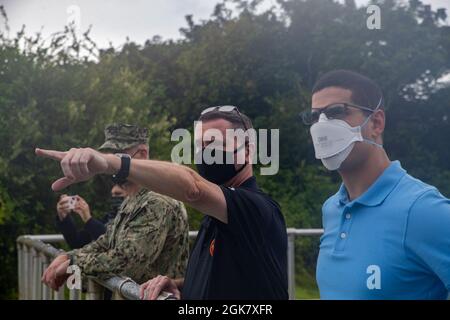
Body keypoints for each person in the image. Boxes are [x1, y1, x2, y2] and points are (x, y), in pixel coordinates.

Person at [35, 108, 288, 300]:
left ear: (248, 150)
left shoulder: (256, 209)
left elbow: (193, 188)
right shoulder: (217, 217)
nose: (207, 154)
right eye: (202, 146)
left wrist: (112, 163)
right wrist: (178, 285)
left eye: (217, 144)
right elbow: (228, 280)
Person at [301, 69, 450, 299]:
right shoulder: (331, 208)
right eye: (314, 116)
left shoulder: (423, 210)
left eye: (336, 112)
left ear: (376, 123)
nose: (322, 125)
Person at [40, 124, 189, 289]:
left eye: (117, 155)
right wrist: (69, 257)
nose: (110, 162)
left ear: (142, 154)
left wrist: (74, 263)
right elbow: (107, 241)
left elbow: (127, 261)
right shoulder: (134, 197)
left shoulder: (157, 200)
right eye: (107, 155)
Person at [55, 184, 127, 249]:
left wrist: (89, 220)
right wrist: (64, 217)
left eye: (118, 194)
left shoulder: (134, 218)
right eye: (112, 195)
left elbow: (114, 244)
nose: (114, 198)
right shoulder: (108, 218)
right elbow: (77, 243)